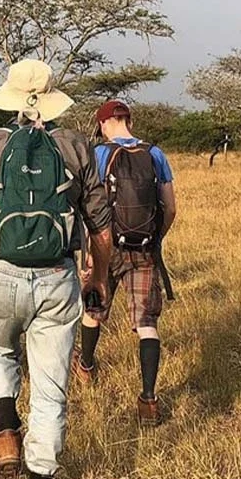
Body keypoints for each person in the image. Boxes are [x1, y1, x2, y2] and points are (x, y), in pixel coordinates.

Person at [0, 59, 111, 479]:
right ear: (51, 101)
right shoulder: (78, 147)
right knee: (51, 386)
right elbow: (101, 227)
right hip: (58, 279)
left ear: (13, 101)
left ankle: (5, 429)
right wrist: (97, 278)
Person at [73, 99, 177, 427]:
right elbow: (171, 207)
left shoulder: (99, 154)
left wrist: (89, 251)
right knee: (146, 322)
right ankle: (148, 399)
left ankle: (86, 367)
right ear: (129, 120)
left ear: (104, 123)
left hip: (106, 248)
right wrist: (155, 240)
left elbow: (88, 209)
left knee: (94, 311)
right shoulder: (154, 154)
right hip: (144, 249)